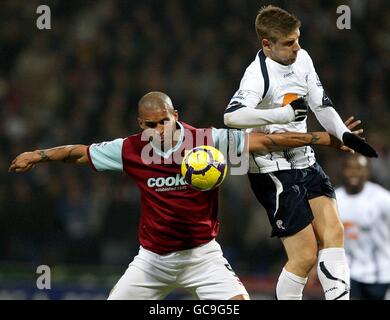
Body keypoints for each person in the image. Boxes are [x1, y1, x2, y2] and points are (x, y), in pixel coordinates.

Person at [9, 91, 356, 300]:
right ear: (140, 125)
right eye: (150, 125)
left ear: (175, 116)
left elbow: (265, 141)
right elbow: (79, 153)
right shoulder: (129, 149)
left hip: (202, 257)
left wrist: (327, 139)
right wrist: (37, 156)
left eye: (164, 121)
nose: (159, 130)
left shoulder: (207, 141)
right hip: (152, 261)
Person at [223, 5, 378, 300]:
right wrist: (282, 115)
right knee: (305, 257)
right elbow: (232, 116)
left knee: (334, 234)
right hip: (272, 169)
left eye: (298, 39)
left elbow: (321, 104)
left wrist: (343, 134)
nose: (297, 47)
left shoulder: (303, 58)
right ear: (266, 44)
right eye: (289, 42)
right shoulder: (257, 75)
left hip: (305, 159)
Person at [336, 154, 390, 300]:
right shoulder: (335, 200)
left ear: (367, 172)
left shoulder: (382, 198)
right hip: (350, 273)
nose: (354, 173)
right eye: (349, 168)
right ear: (342, 170)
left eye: (359, 168)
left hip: (382, 273)